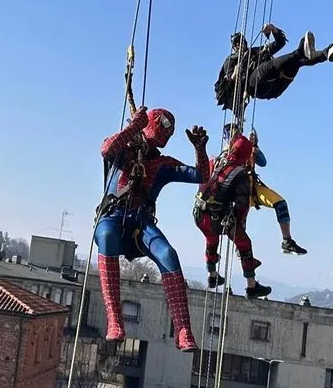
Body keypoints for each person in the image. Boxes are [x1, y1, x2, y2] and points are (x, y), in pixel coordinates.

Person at [94, 107, 209, 352]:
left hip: (141, 223)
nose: (167, 131)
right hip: (112, 216)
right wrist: (133, 127)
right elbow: (106, 149)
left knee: (168, 254)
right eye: (163, 124)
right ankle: (114, 318)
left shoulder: (161, 164)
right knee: (107, 236)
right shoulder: (123, 150)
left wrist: (200, 150)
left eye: (171, 128)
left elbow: (201, 174)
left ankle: (183, 329)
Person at [194, 134, 272, 299]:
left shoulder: (216, 161)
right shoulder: (240, 173)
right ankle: (251, 286)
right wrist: (238, 225)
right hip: (219, 216)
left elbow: (202, 178)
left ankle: (212, 276)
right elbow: (242, 205)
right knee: (244, 243)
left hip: (200, 214)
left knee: (211, 241)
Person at [214, 23, 333, 118]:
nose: (240, 44)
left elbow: (280, 43)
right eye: (236, 43)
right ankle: (303, 50)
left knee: (297, 62)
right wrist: (235, 74)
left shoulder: (255, 52)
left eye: (241, 41)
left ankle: (327, 52)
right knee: (275, 64)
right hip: (255, 86)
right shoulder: (231, 60)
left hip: (277, 86)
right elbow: (229, 81)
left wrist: (273, 29)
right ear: (233, 47)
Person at [222, 124, 307, 255]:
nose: (238, 134)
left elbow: (263, 162)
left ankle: (287, 241)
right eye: (235, 132)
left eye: (239, 132)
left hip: (252, 186)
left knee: (280, 204)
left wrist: (255, 147)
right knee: (238, 220)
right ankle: (240, 247)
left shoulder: (247, 147)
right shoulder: (226, 152)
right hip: (236, 190)